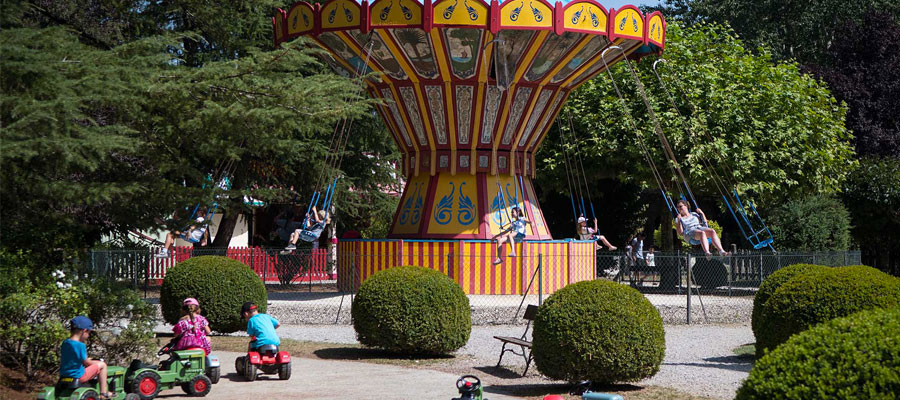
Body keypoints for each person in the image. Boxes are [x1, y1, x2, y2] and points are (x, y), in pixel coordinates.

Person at [59, 316, 113, 399]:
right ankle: (103, 393)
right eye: (89, 333)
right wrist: (98, 362)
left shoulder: (66, 342)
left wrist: (91, 360)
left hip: (64, 374)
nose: (88, 336)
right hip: (78, 375)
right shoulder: (80, 345)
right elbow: (86, 363)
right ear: (84, 331)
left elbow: (75, 358)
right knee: (103, 365)